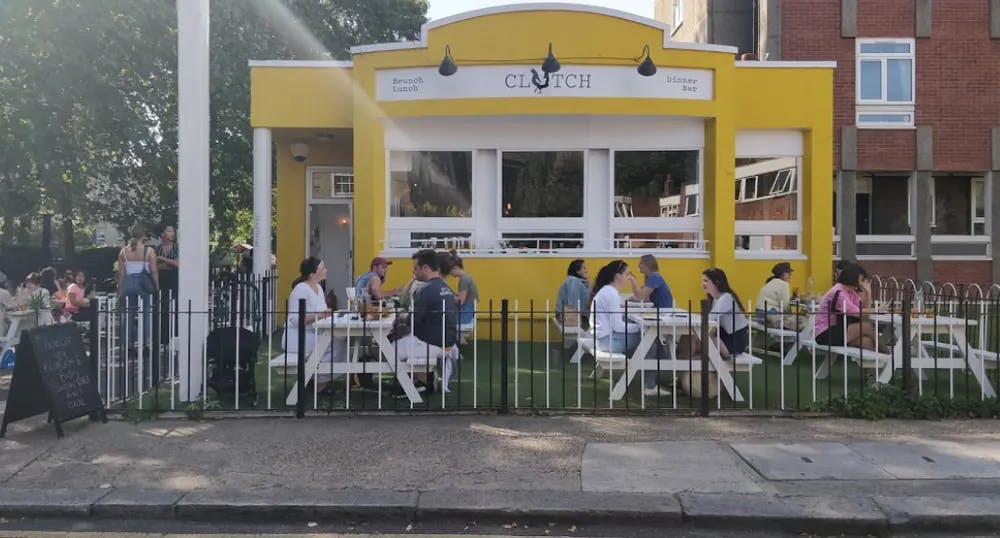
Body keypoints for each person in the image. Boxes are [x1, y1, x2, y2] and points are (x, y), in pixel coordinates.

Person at [391, 249, 459, 395]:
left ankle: (416, 383)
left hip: (432, 344)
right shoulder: (445, 288)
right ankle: (422, 379)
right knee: (408, 339)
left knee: (389, 350)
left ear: (426, 268)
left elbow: (414, 321)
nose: (413, 272)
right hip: (447, 342)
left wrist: (402, 318)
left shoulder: (425, 290)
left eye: (416, 268)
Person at [590, 261, 645, 388]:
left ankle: (641, 377)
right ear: (618, 276)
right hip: (607, 342)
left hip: (601, 340)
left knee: (645, 337)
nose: (628, 277)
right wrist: (640, 327)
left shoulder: (606, 291)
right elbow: (618, 327)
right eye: (626, 274)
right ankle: (650, 384)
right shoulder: (611, 294)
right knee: (649, 339)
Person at [814, 263, 888, 353]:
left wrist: (868, 292)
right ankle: (890, 355)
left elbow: (864, 312)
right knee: (867, 327)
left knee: (866, 341)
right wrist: (877, 310)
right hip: (825, 332)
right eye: (861, 280)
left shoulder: (850, 292)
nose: (863, 283)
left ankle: (877, 362)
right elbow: (856, 313)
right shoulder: (838, 292)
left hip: (839, 328)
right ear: (852, 278)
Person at [117, 224, 158, 341]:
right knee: (146, 313)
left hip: (128, 284)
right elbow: (153, 271)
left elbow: (121, 274)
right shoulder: (149, 251)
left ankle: (128, 342)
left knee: (128, 314)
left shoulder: (123, 252)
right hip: (143, 285)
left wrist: (120, 290)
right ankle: (145, 342)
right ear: (143, 236)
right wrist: (156, 286)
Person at [702, 268, 750, 358]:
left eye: (706, 281)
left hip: (734, 340)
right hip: (724, 336)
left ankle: (684, 359)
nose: (702, 284)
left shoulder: (726, 297)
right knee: (694, 336)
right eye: (703, 281)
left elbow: (710, 318)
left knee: (698, 336)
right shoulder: (714, 298)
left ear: (716, 282)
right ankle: (684, 358)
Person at [755, 262, 807, 331]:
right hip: (770, 315)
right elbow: (785, 306)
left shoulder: (771, 281)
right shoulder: (783, 284)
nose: (791, 275)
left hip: (760, 316)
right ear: (783, 274)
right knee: (800, 323)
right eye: (789, 273)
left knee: (796, 319)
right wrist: (792, 316)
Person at [555, 259, 590, 329]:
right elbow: (573, 301)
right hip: (574, 317)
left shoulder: (578, 281)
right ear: (577, 271)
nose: (586, 270)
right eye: (584, 268)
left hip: (578, 316)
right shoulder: (573, 281)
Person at [446, 251, 478, 326]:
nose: (449, 274)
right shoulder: (467, 277)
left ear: (455, 268)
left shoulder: (464, 280)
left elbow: (460, 301)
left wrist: (447, 295)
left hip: (465, 313)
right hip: (469, 311)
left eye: (450, 271)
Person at [156, 225, 179, 296]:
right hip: (161, 281)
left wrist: (162, 258)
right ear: (162, 234)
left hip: (174, 281)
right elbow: (154, 266)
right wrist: (171, 264)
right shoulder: (157, 249)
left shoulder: (177, 247)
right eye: (169, 231)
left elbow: (178, 264)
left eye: (173, 231)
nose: (172, 233)